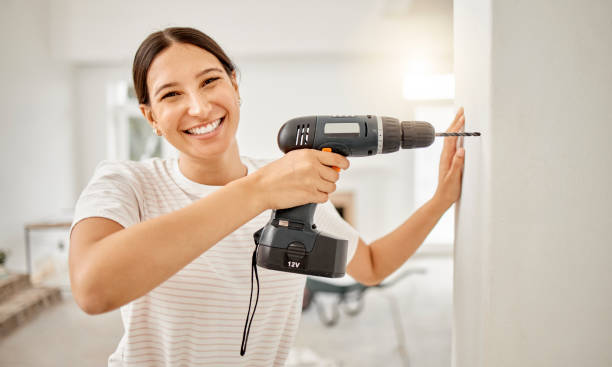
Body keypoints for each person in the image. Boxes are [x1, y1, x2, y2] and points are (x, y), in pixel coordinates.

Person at [69, 27, 466, 367]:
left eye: (210, 81)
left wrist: (441, 199)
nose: (199, 106)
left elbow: (373, 266)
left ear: (235, 85)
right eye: (171, 95)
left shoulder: (292, 187)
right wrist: (258, 191)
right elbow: (92, 289)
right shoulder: (125, 183)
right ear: (151, 116)